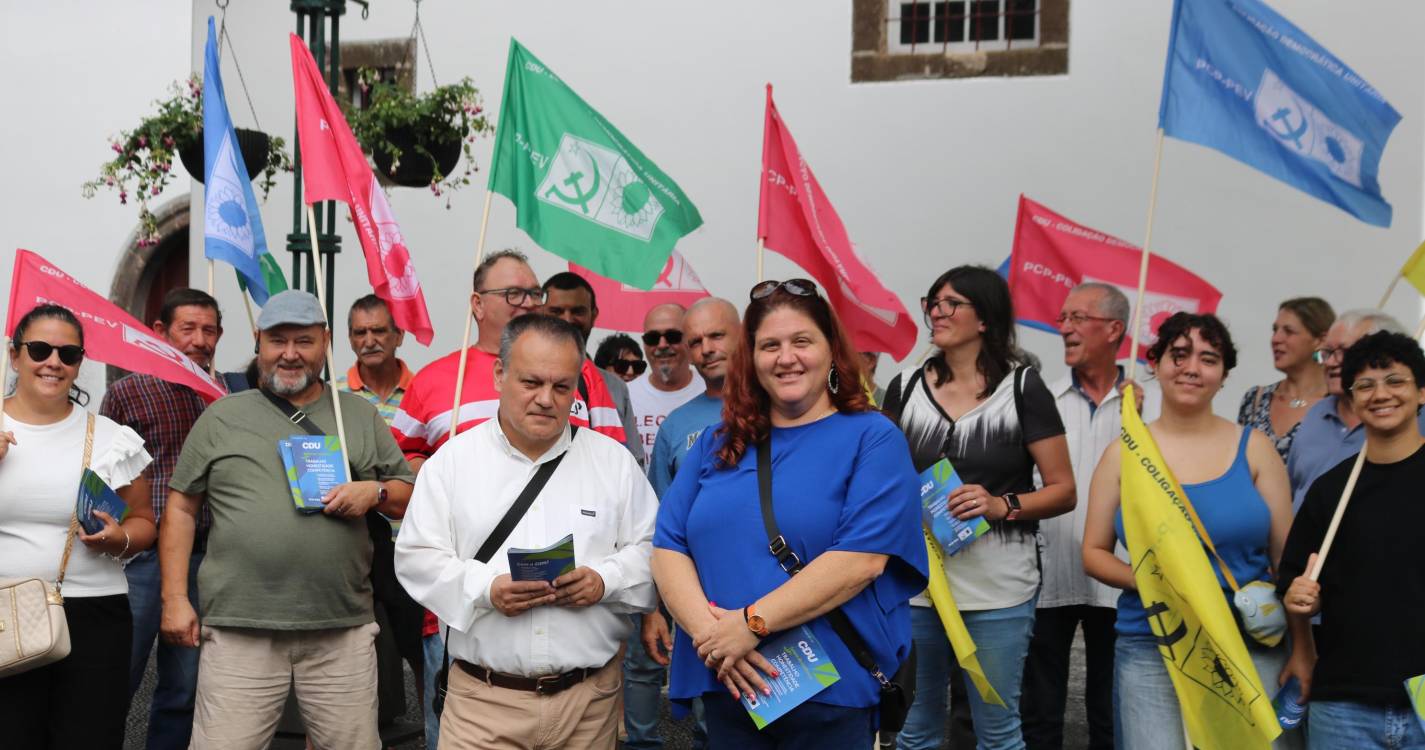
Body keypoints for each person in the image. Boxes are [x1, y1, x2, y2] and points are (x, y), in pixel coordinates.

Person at [653, 278, 929, 748]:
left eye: (802, 341)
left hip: (829, 692)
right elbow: (667, 547)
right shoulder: (719, 444)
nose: (786, 357)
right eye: (770, 345)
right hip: (727, 684)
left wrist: (750, 625)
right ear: (752, 359)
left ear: (831, 351)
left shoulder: (873, 437)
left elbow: (861, 560)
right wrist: (714, 638)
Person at [158, 290, 415, 750]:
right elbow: (181, 506)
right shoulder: (222, 416)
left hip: (342, 630)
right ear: (259, 340)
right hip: (240, 629)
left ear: (326, 342)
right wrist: (175, 598)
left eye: (304, 340)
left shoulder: (356, 414)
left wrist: (372, 492)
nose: (290, 353)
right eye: (278, 340)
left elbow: (407, 494)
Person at [394, 314, 658, 749]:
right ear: (500, 374)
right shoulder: (452, 463)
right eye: (530, 382)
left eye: (561, 386)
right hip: (484, 706)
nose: (545, 400)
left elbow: (654, 550)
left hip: (588, 705)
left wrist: (604, 580)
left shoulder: (613, 462)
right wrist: (485, 589)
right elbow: (416, 556)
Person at [1082, 312, 1298, 750]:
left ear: (1223, 376)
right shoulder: (1123, 454)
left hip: (1246, 642)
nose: (1191, 368)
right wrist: (1159, 583)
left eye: (1208, 358)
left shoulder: (1254, 449)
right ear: (1155, 364)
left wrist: (1303, 646)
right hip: (1153, 640)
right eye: (1178, 355)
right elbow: (1094, 551)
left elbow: (1286, 559)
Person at [883, 265, 1075, 750]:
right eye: (933, 302)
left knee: (998, 730)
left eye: (952, 304)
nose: (937, 313)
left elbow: (1063, 490)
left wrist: (999, 504)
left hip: (999, 589)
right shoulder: (904, 387)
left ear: (985, 318)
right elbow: (879, 477)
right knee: (915, 726)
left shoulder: (1023, 388)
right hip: (919, 585)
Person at [0, 303, 157, 749]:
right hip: (6, 611)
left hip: (94, 613)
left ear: (79, 364)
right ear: (15, 356)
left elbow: (146, 523)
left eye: (68, 354)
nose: (54, 362)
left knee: (88, 738)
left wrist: (119, 538)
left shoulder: (110, 436)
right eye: (40, 349)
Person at [1022, 282, 1160, 750]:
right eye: (1063, 318)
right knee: (1039, 714)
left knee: (1111, 713)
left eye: (1078, 318)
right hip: (1047, 576)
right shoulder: (1042, 399)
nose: (1064, 328)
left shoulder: (1150, 406)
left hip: (1118, 577)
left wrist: (1140, 426)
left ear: (1114, 329)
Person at [1279, 331, 1425, 750]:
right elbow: (1294, 585)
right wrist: (1302, 605)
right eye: (1365, 384)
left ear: (1421, 393)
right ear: (1353, 399)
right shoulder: (1330, 491)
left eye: (1395, 381)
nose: (1380, 394)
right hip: (1343, 705)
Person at [100, 288, 221, 750]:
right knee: (116, 674)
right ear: (160, 333)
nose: (198, 339)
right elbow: (104, 475)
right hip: (140, 560)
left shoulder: (223, 397)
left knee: (185, 685)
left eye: (208, 329)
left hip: (203, 558)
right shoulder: (127, 394)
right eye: (187, 328)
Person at [632, 297, 740, 749]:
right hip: (697, 598)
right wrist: (654, 608)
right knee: (710, 720)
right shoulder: (679, 424)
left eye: (717, 336)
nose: (706, 349)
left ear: (742, 336)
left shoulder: (783, 407)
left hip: (773, 594)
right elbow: (659, 523)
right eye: (695, 341)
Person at [335, 293, 428, 738]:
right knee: (373, 648)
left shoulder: (425, 389)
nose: (369, 340)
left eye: (379, 331)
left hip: (418, 539)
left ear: (399, 335)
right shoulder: (334, 397)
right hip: (364, 543)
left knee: (424, 645)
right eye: (360, 332)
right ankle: (378, 732)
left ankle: (439, 732)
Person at [1284, 309, 1420, 511]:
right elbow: (1292, 491)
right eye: (1327, 352)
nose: (1330, 362)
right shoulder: (1315, 414)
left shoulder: (1415, 422)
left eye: (1343, 352)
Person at [542, 270, 647, 466]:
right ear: (540, 313)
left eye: (577, 311)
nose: (567, 319)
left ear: (594, 314)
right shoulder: (524, 380)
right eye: (556, 311)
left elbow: (633, 462)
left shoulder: (615, 386)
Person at [1237, 298, 1334, 462]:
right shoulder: (1256, 399)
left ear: (1320, 341)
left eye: (1288, 331)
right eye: (1275, 330)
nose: (1276, 339)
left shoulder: (1336, 406)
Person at [628, 303, 705, 463]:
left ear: (689, 339)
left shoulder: (711, 390)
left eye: (673, 336)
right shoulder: (626, 397)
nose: (662, 345)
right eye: (652, 338)